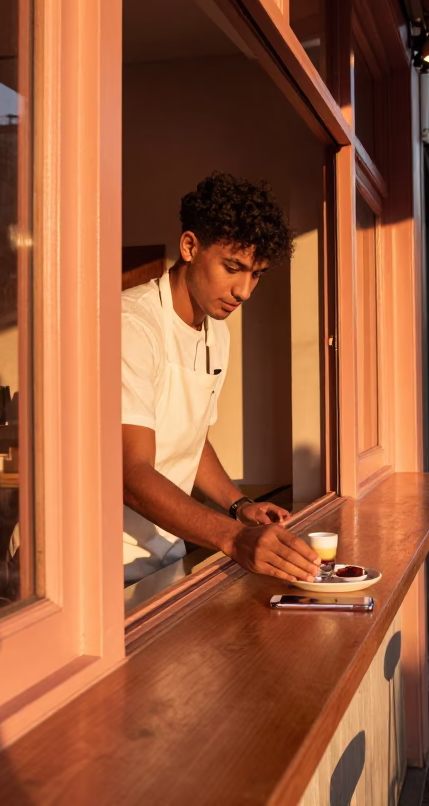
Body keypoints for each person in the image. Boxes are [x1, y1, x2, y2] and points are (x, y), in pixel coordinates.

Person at [121, 172, 321, 586]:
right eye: (233, 268)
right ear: (190, 246)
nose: (244, 290)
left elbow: (191, 438)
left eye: (257, 274)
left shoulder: (218, 332)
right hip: (95, 560)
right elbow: (130, 474)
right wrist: (235, 539)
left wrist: (240, 505)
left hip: (163, 552)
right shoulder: (132, 326)